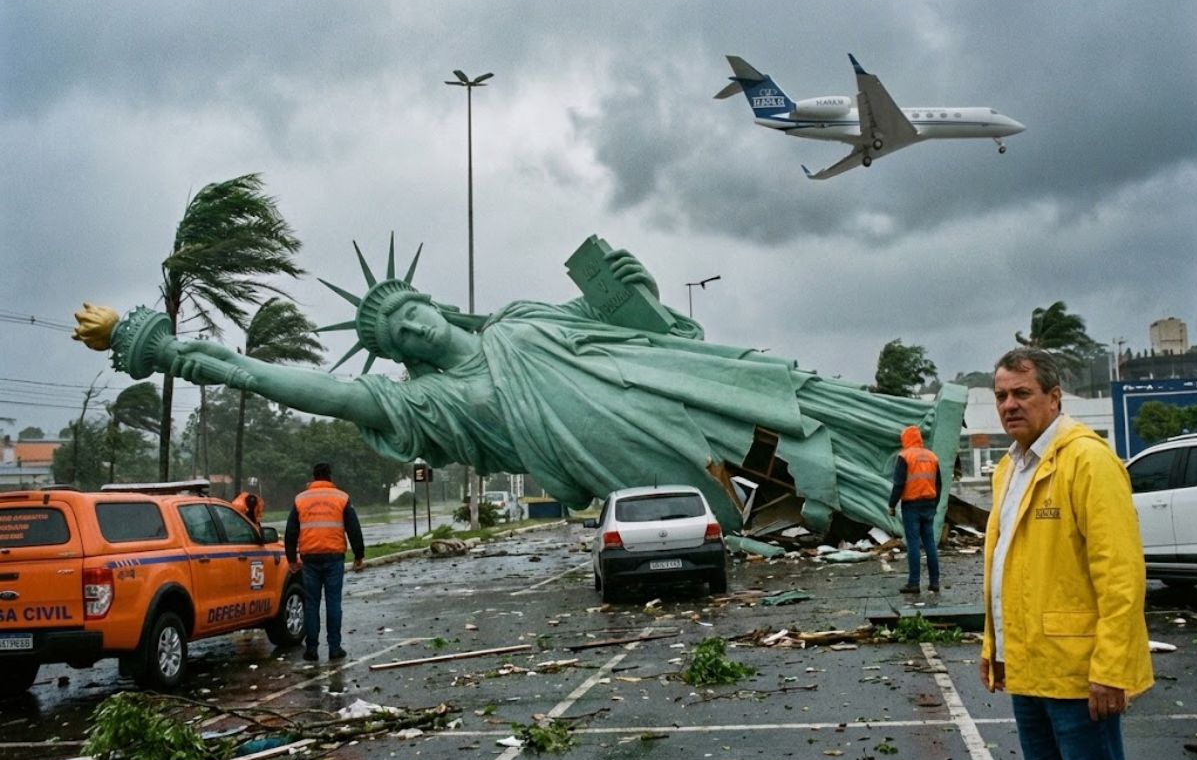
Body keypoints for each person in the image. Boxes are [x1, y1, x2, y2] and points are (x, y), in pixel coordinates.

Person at [83, 242, 965, 539]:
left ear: (435, 305)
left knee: (783, 396)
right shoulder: (422, 407)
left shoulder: (520, 316)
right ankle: (874, 507)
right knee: (760, 481)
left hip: (664, 383)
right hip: (620, 451)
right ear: (401, 359)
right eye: (397, 337)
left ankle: (912, 440)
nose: (415, 328)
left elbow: (631, 324)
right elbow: (309, 388)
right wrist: (176, 354)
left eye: (415, 312)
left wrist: (636, 281)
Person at [979, 348, 1152, 760]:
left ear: (1055, 398)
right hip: (1028, 669)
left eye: (1022, 392)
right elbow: (1007, 565)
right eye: (1001, 396)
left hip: (1079, 677)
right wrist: (994, 646)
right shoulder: (1010, 468)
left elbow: (1120, 575)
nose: (1009, 405)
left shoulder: (1088, 462)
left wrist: (1111, 668)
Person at [285, 462, 365, 662]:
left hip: (309, 558)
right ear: (330, 477)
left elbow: (291, 531)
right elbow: (353, 529)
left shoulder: (300, 499)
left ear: (313, 477)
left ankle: (311, 649)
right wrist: (358, 555)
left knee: (311, 604)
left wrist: (291, 559)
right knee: (333, 603)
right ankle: (334, 648)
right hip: (333, 558)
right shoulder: (342, 498)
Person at [887, 425, 942, 594]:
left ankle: (914, 583)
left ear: (906, 439)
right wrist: (935, 503)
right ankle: (934, 582)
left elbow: (899, 484)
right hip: (929, 504)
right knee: (930, 544)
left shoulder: (905, 456)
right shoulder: (932, 457)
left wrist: (891, 505)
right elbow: (939, 484)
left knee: (913, 545)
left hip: (911, 505)